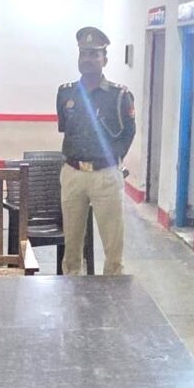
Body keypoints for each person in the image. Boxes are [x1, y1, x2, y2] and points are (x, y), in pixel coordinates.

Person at [57, 27, 136, 275]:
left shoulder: (119, 96)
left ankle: (113, 292)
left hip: (105, 176)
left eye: (94, 54)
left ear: (105, 60)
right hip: (73, 174)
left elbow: (129, 132)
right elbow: (65, 128)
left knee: (113, 250)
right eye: (83, 54)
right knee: (71, 249)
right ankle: (71, 290)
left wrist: (112, 160)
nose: (88, 59)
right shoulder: (66, 93)